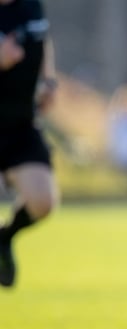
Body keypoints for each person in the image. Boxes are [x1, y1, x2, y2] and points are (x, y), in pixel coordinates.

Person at [0, 0, 59, 288]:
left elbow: (43, 38)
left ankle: (4, 237)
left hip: (21, 125)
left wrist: (48, 81)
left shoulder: (31, 5)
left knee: (43, 203)